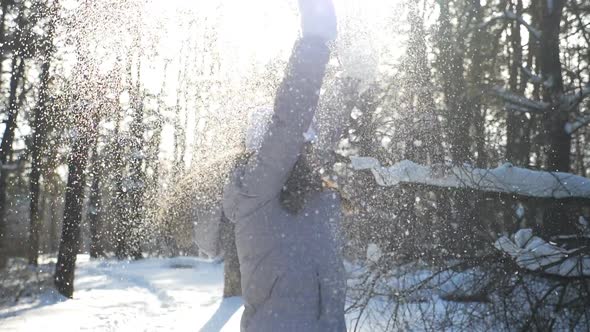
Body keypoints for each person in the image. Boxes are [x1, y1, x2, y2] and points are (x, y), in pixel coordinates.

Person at [221, 0, 347, 331]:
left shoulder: (318, 199)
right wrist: (315, 43)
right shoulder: (256, 194)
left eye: (307, 143)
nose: (305, 148)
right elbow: (291, 118)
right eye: (298, 143)